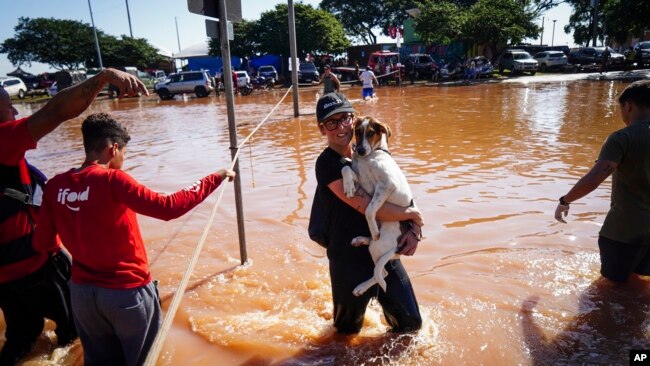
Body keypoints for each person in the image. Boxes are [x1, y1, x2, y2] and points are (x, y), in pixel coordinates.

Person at [32, 113, 236, 366]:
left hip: (83, 296)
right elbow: (169, 207)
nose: (123, 159)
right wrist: (214, 177)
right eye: (123, 153)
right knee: (142, 361)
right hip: (126, 293)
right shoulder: (113, 180)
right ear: (113, 148)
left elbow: (43, 244)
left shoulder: (54, 186)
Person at [0, 68, 147, 366]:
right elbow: (55, 111)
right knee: (75, 332)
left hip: (3, 274)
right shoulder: (3, 142)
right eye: (8, 106)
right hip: (34, 264)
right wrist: (103, 77)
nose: (16, 110)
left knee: (21, 337)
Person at [314, 92, 423, 334]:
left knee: (411, 325)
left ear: (355, 121)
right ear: (322, 129)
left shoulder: (372, 155)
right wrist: (414, 216)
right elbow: (367, 207)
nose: (341, 126)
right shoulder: (328, 165)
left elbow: (400, 190)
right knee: (346, 334)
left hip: (383, 248)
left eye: (345, 118)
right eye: (332, 122)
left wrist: (415, 229)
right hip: (349, 259)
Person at [554, 80, 650, 283]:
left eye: (621, 108)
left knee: (611, 289)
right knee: (637, 283)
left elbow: (595, 178)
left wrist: (565, 200)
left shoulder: (622, 138)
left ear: (628, 106)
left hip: (623, 230)